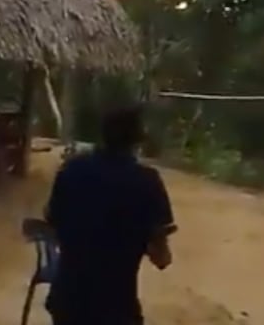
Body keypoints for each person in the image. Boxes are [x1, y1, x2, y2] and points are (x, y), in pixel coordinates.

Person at [44, 103, 176, 325]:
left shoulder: (72, 170)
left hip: (67, 301)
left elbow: (53, 222)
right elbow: (161, 258)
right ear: (137, 141)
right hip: (116, 310)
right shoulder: (148, 181)